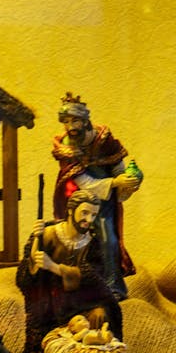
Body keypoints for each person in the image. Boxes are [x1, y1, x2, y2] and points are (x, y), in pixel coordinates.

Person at [16, 189, 123, 353]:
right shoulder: (48, 234)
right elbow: (26, 276)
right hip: (51, 304)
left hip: (81, 305)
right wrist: (35, 243)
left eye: (93, 214)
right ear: (71, 210)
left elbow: (93, 278)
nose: (88, 219)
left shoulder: (92, 242)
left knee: (101, 313)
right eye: (84, 213)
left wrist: (55, 267)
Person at [50, 93, 142, 300]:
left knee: (108, 240)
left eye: (75, 120)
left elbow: (118, 165)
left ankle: (113, 287)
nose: (70, 126)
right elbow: (84, 184)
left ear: (85, 120)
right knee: (75, 241)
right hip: (78, 199)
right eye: (66, 122)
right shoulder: (65, 148)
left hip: (106, 202)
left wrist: (126, 181)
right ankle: (77, 285)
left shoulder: (103, 139)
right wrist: (115, 183)